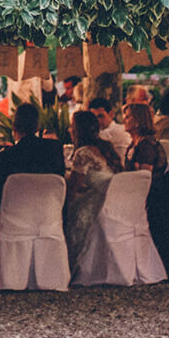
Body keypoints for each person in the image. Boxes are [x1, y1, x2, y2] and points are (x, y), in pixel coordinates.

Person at [0, 101, 65, 228]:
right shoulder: (55, 150)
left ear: (14, 126)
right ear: (37, 126)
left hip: (14, 223)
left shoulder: (6, 157)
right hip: (49, 219)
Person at [64, 109, 123, 269]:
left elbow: (72, 189)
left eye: (71, 127)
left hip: (94, 205)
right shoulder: (106, 147)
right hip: (111, 202)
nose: (69, 130)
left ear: (77, 130)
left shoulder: (83, 153)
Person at [122, 102, 167, 176]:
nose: (123, 121)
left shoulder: (147, 146)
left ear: (138, 120)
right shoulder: (135, 143)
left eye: (127, 117)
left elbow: (144, 178)